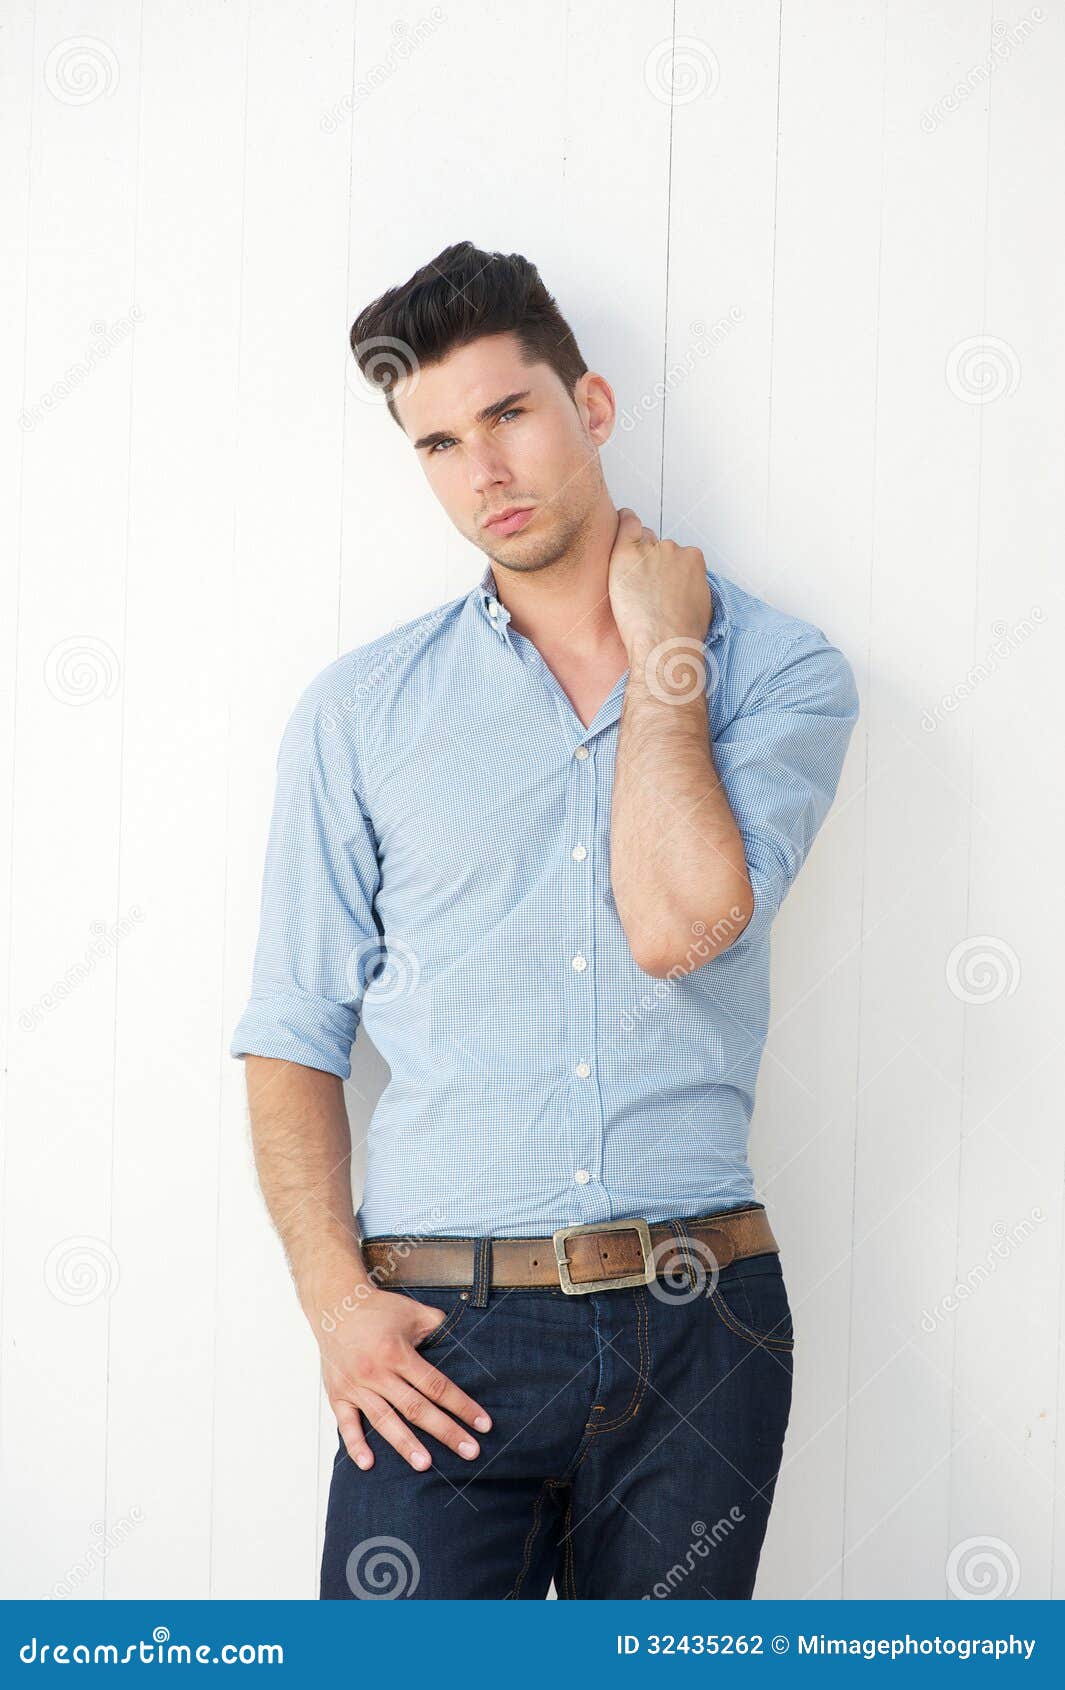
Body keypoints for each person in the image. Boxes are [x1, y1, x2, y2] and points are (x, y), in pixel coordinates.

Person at [230, 240, 860, 1600]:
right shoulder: (361, 712)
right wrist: (334, 1303)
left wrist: (663, 661)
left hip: (701, 1326)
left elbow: (677, 922)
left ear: (592, 406)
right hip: (436, 1339)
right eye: (439, 441)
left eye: (510, 413)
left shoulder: (781, 668)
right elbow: (292, 1027)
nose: (485, 472)